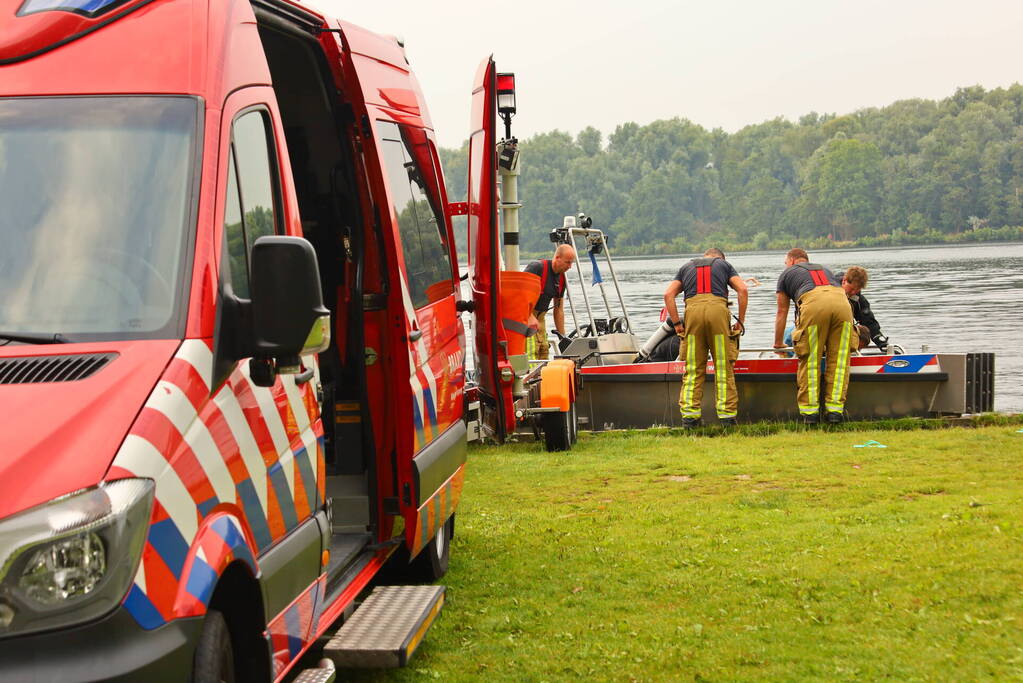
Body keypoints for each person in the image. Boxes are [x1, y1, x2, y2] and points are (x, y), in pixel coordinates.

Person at [663, 248, 748, 427]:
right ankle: (727, 418)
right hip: (718, 313)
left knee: (693, 368)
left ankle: (690, 419)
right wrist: (740, 321)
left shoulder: (686, 266)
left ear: (705, 256)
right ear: (720, 259)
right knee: (724, 367)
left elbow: (668, 295)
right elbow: (742, 289)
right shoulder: (724, 265)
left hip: (692, 315)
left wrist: (678, 324)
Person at [774, 248, 855, 424]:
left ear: (792, 261)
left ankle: (810, 414)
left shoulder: (787, 273)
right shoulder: (824, 269)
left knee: (810, 360)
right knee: (840, 360)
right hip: (843, 305)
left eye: (786, 262)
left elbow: (782, 311)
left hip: (814, 305)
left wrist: (778, 342)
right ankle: (835, 412)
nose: (785, 265)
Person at [524, 244, 576, 360]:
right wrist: (528, 316)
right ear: (557, 258)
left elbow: (559, 310)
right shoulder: (537, 268)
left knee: (543, 351)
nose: (570, 266)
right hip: (526, 317)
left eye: (572, 263)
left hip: (541, 320)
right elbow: (519, 296)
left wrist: (563, 337)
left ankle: (543, 377)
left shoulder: (562, 278)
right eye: (567, 262)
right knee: (531, 353)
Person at [841, 266, 890, 351]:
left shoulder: (858, 300)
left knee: (864, 333)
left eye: (857, 290)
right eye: (852, 288)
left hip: (844, 331)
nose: (853, 292)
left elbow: (869, 322)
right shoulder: (830, 290)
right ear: (844, 281)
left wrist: (881, 341)